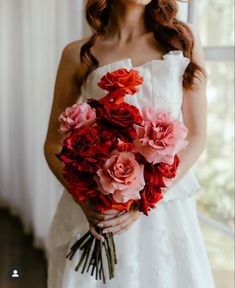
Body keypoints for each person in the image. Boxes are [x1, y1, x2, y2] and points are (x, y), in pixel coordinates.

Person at [44, 0, 215, 287]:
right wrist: (85, 199)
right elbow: (53, 143)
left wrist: (143, 200)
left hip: (163, 211)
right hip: (98, 212)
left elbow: (196, 136)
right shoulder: (78, 53)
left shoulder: (183, 40)